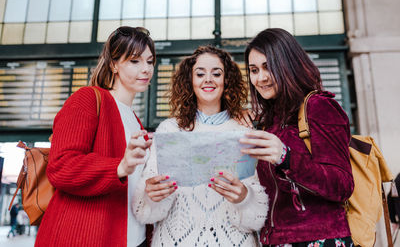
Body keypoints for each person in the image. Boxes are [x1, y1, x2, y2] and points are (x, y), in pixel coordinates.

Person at [132, 46, 269, 246]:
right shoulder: (169, 130)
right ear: (190, 81)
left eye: (216, 73)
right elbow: (143, 211)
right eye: (200, 74)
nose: (208, 79)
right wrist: (152, 196)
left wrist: (244, 198)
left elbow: (257, 217)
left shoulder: (245, 133)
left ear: (227, 80)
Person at [35, 26, 155, 247]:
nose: (146, 69)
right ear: (113, 64)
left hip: (133, 237)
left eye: (150, 61)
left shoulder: (134, 119)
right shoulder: (88, 99)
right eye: (135, 61)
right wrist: (119, 167)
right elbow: (60, 166)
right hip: (87, 235)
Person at [238, 28, 354, 246]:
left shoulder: (319, 106)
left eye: (268, 67)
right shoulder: (268, 121)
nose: (260, 78)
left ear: (287, 64)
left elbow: (342, 185)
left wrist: (286, 157)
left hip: (318, 238)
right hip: (275, 240)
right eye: (254, 70)